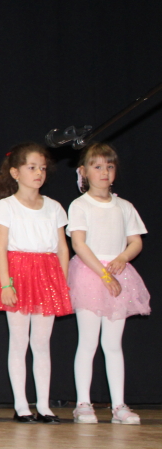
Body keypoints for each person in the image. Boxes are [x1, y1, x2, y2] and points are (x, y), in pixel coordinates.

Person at [67, 143, 149, 425]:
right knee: (88, 342)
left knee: (113, 344)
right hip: (90, 274)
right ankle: (83, 403)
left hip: (117, 274)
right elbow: (79, 244)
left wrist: (122, 258)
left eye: (109, 167)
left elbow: (135, 241)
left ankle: (118, 406)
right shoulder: (80, 205)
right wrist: (103, 274)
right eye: (98, 166)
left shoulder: (124, 206)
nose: (104, 172)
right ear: (84, 171)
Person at [0, 143, 71, 424]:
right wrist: (6, 284)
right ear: (15, 172)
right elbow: (0, 247)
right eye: (32, 167)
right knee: (19, 341)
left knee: (41, 342)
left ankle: (44, 405)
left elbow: (62, 247)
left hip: (47, 274)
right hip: (18, 274)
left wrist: (61, 282)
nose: (39, 173)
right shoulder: (7, 206)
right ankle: (21, 405)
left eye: (42, 168)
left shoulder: (54, 207)